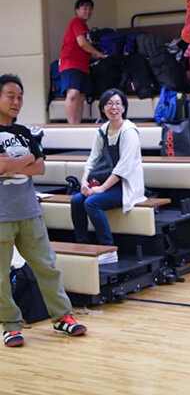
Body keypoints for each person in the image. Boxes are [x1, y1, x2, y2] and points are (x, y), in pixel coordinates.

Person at [0, 74, 87, 347]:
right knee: (0, 276)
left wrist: (13, 162)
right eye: (10, 95)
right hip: (2, 215)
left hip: (29, 212)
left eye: (20, 96)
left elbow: (40, 168)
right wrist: (26, 158)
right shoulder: (28, 140)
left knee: (47, 267)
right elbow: (11, 165)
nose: (16, 101)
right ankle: (11, 325)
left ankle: (63, 317)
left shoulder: (26, 133)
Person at [70, 89, 145, 265]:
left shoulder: (129, 131)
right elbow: (92, 158)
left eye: (118, 103)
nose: (114, 107)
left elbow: (123, 168)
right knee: (76, 201)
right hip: (105, 183)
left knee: (91, 202)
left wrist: (101, 189)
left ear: (124, 107)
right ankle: (83, 245)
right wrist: (84, 181)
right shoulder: (102, 130)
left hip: (124, 186)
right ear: (103, 108)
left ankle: (109, 248)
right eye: (109, 104)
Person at [58, 0, 106, 124]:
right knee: (73, 93)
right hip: (71, 64)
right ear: (77, 10)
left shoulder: (86, 28)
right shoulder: (76, 22)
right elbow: (82, 43)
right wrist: (97, 53)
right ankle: (71, 125)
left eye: (90, 9)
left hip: (83, 65)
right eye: (84, 8)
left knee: (80, 96)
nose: (88, 11)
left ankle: (76, 124)